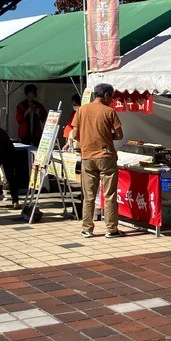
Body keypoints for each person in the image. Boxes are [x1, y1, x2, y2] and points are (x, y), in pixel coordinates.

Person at [66, 83, 123, 238]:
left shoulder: (81, 110)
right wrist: (106, 135)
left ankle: (87, 228)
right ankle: (111, 229)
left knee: (89, 195)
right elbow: (119, 135)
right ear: (106, 95)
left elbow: (75, 134)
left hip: (87, 157)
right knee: (109, 194)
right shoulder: (110, 112)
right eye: (111, 96)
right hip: (106, 156)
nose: (111, 100)